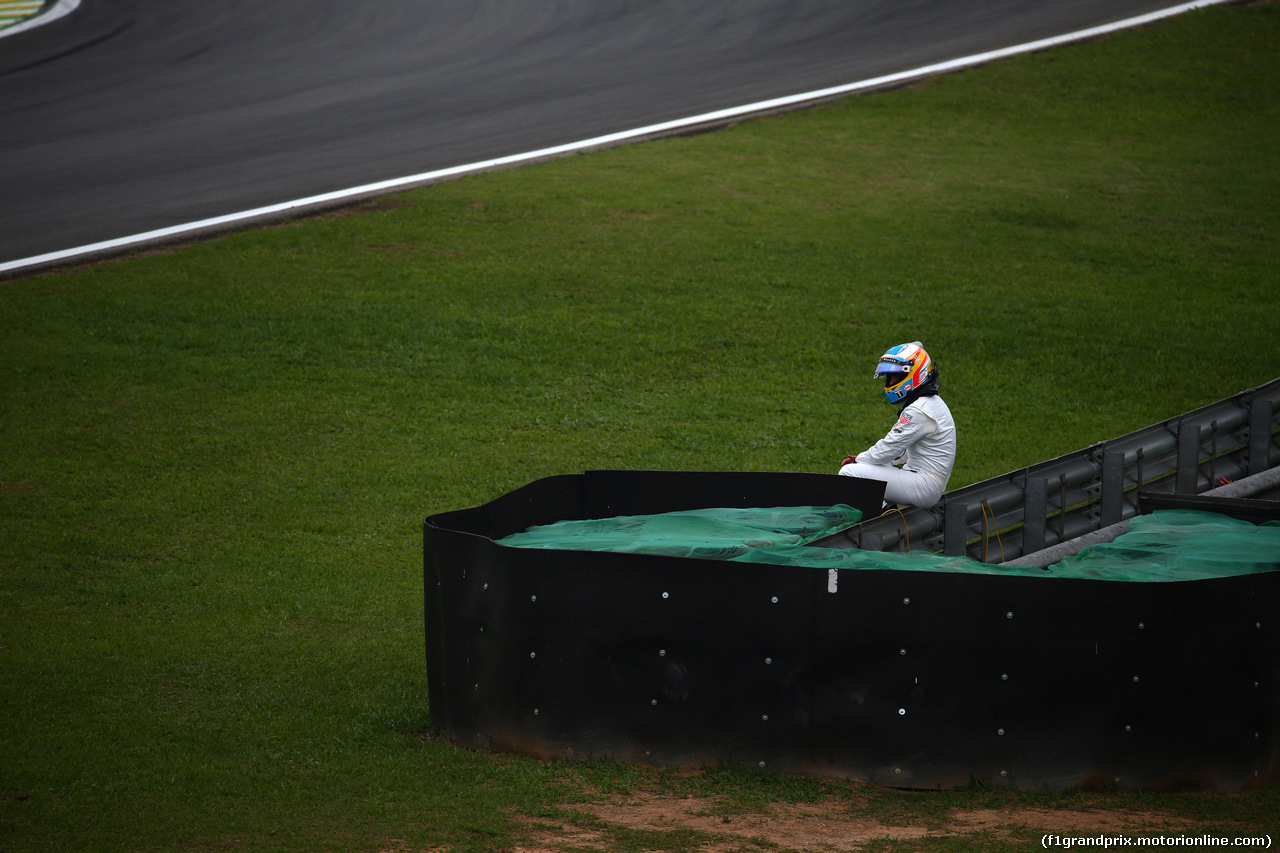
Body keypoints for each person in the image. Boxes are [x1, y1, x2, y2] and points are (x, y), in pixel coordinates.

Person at [838, 341, 956, 509]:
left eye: (896, 376)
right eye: (889, 377)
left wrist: (859, 461)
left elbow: (889, 448)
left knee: (848, 473)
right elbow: (899, 453)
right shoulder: (930, 403)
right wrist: (865, 461)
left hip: (924, 485)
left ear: (914, 374)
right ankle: (886, 509)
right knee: (874, 465)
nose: (891, 381)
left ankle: (881, 516)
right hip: (925, 482)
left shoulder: (919, 411)